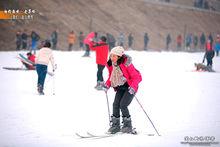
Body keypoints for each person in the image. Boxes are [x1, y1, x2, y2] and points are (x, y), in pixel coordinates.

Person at [102, 46, 142, 134]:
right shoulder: (111, 64)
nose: (111, 58)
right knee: (115, 104)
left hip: (130, 87)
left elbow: (137, 77)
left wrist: (133, 87)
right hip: (120, 87)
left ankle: (128, 126)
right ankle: (115, 126)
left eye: (114, 56)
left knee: (123, 105)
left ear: (119, 56)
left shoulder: (127, 63)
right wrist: (107, 85)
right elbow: (111, 77)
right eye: (111, 55)